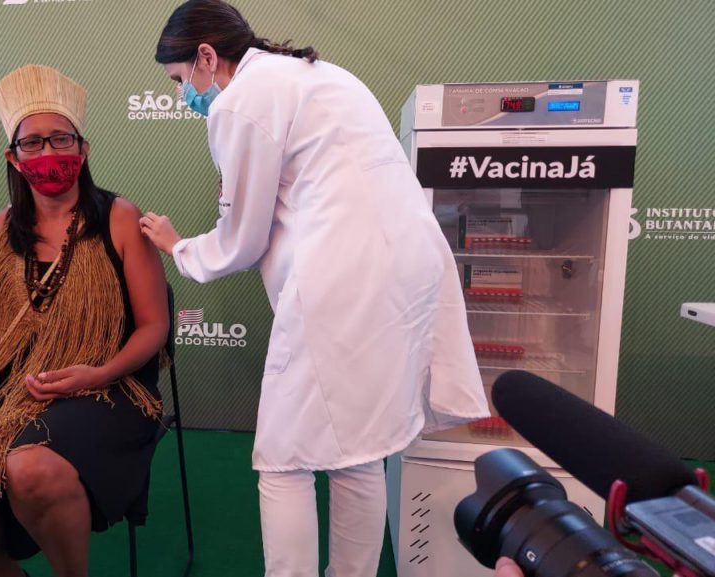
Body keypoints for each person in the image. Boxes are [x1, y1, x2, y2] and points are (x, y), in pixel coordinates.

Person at [138, 1, 489, 576]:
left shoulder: (242, 101)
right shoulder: (321, 75)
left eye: (180, 80)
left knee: (284, 460)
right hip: (408, 271)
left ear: (206, 56)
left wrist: (180, 248)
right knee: (360, 451)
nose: (184, 96)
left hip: (342, 280)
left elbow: (243, 237)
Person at [0, 64, 169, 577]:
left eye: (61, 139)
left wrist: (100, 373)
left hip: (107, 385)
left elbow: (154, 326)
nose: (48, 153)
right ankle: (4, 571)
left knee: (30, 465)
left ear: (83, 149)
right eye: (33, 143)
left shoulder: (120, 217)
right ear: (13, 158)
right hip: (11, 379)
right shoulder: (1, 226)